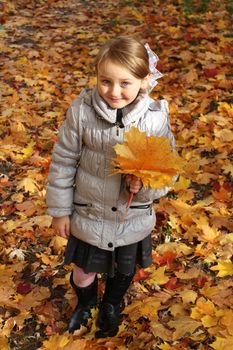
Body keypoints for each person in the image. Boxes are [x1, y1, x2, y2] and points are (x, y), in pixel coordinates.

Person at [46, 36, 175, 338]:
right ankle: (87, 302)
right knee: (83, 269)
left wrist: (144, 186)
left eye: (125, 83)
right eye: (106, 81)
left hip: (131, 217)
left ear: (144, 81)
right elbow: (63, 161)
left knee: (124, 270)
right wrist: (60, 211)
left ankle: (111, 304)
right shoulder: (81, 112)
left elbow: (167, 172)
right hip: (89, 213)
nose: (114, 92)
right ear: (97, 77)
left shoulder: (155, 120)